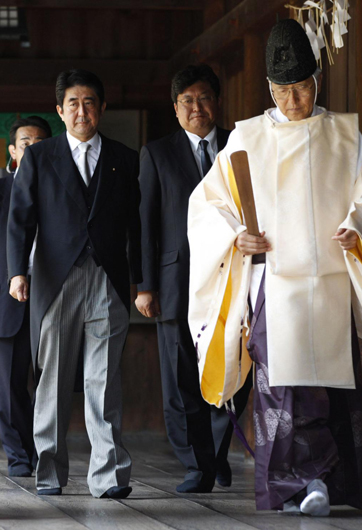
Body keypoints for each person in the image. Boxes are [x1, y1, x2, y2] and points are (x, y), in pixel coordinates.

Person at [187, 19, 362, 515]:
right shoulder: (246, 139)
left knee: (336, 388)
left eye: (301, 89)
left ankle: (335, 482)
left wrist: (356, 227)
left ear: (317, 83)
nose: (293, 101)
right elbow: (209, 206)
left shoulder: (347, 135)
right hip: (275, 284)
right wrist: (234, 236)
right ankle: (297, 485)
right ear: (269, 88)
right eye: (283, 91)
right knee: (280, 390)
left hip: (332, 279)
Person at [7, 69, 142, 499]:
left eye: (89, 103)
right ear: (60, 111)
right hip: (54, 279)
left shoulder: (125, 157)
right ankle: (48, 472)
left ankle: (110, 477)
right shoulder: (40, 156)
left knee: (104, 380)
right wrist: (16, 273)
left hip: (108, 279)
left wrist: (141, 283)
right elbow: (20, 219)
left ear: (102, 108)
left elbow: (135, 227)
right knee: (53, 381)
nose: (81, 111)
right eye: (72, 104)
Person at [135, 64, 252, 493]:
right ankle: (195, 464)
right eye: (187, 101)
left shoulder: (239, 149)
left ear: (216, 102)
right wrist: (145, 284)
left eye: (203, 98)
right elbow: (145, 221)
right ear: (175, 107)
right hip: (174, 281)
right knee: (181, 375)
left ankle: (216, 453)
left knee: (233, 370)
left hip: (230, 278)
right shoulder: (157, 153)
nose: (196, 107)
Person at [0, 116, 51, 478]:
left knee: (53, 382)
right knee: (9, 384)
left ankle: (44, 452)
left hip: (52, 293)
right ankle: (20, 456)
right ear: (13, 150)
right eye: (25, 142)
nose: (32, 148)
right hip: (9, 299)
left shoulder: (62, 186)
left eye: (39, 142)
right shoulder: (1, 187)